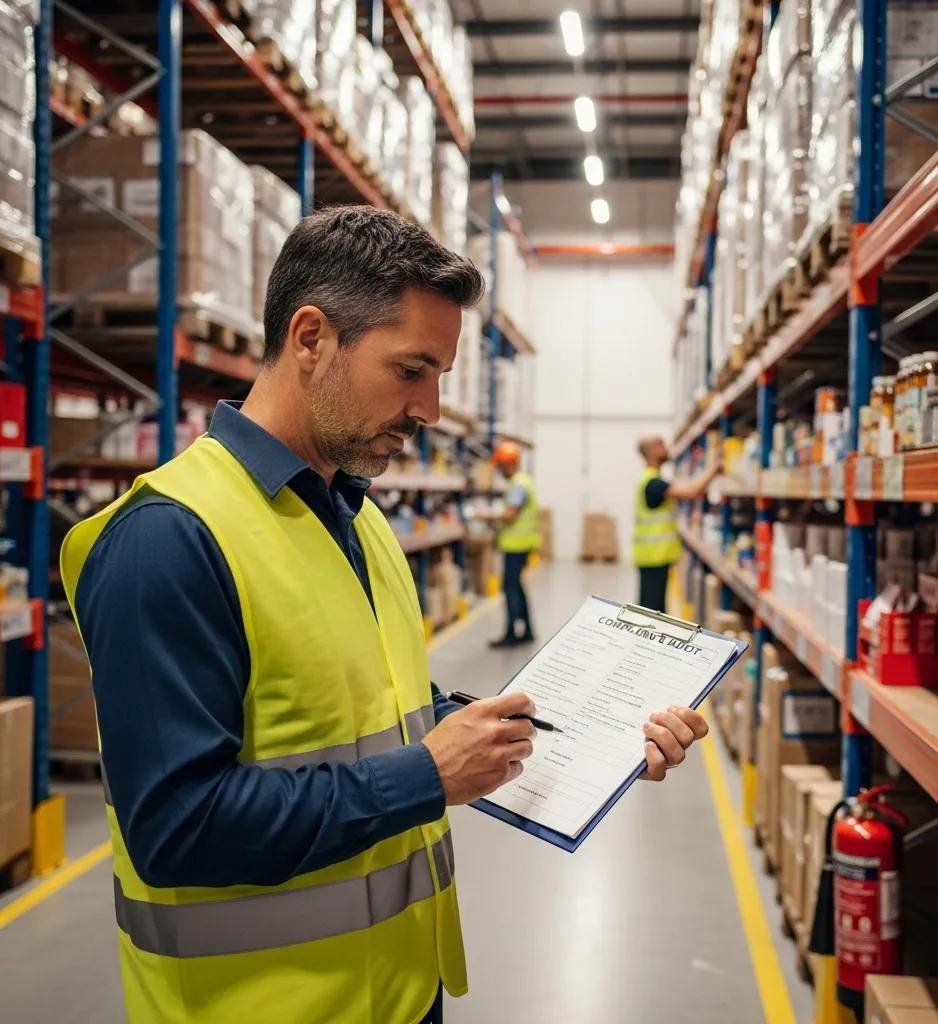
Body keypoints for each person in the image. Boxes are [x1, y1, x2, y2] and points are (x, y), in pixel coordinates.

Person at [60, 206, 710, 1024]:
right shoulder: (167, 539)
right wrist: (428, 776)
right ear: (310, 339)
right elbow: (175, 828)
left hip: (398, 996)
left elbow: (383, 712)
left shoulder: (356, 517)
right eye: (411, 371)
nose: (432, 409)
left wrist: (591, 744)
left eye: (439, 377)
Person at [634, 435, 719, 613]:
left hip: (655, 556)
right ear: (650, 452)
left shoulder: (653, 479)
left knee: (653, 608)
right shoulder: (652, 483)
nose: (666, 447)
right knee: (651, 612)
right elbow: (691, 491)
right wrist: (715, 468)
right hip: (653, 557)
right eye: (661, 444)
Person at [476, 440, 539, 648]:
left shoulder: (518, 484)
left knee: (510, 588)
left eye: (501, 466)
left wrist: (486, 516)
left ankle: (512, 633)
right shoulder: (523, 481)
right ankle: (527, 630)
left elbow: (510, 515)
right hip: (522, 544)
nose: (500, 470)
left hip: (516, 546)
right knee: (517, 587)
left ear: (508, 464)